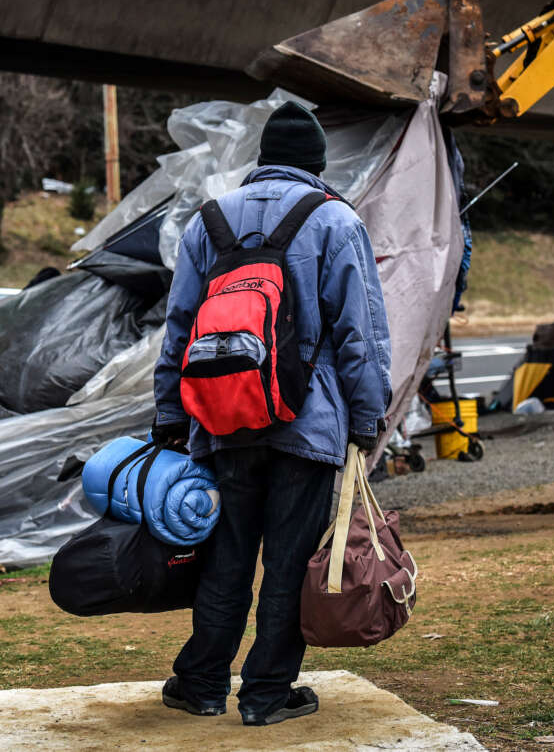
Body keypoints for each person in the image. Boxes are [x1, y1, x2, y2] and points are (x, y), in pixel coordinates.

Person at [152, 101, 392, 726]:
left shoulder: (210, 222)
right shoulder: (335, 221)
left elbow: (179, 326)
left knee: (226, 558)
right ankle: (264, 696)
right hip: (304, 429)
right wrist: (366, 421)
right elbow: (360, 335)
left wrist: (170, 412)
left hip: (221, 420)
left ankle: (202, 684)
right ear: (317, 164)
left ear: (264, 161)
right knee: (288, 563)